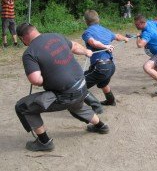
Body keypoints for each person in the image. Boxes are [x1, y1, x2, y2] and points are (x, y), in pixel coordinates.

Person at [15, 23, 109, 152]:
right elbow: (75, 46)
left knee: (23, 107)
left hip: (65, 95)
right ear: (35, 30)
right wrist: (86, 51)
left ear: (23, 38)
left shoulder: (29, 53)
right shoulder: (56, 36)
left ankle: (44, 142)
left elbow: (36, 80)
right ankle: (101, 126)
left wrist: (44, 75)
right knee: (77, 106)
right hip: (82, 87)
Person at [82, 10, 129, 107]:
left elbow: (93, 43)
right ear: (98, 19)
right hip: (111, 67)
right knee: (103, 84)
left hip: (101, 67)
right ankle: (111, 101)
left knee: (78, 85)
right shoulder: (105, 30)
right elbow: (117, 36)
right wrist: (125, 38)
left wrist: (105, 47)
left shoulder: (87, 32)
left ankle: (96, 106)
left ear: (85, 21)